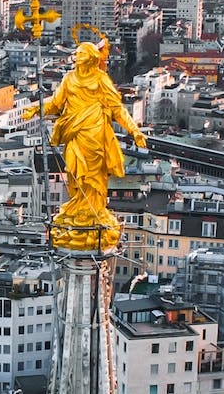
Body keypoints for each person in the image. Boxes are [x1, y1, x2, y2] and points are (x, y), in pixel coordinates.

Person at [25, 42, 146, 251]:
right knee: (74, 171)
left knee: (94, 176)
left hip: (95, 134)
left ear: (89, 58)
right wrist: (36, 108)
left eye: (81, 53)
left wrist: (135, 131)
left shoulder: (100, 79)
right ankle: (78, 207)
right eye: (77, 53)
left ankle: (93, 209)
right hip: (74, 133)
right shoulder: (69, 78)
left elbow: (117, 109)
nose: (76, 56)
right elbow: (56, 102)